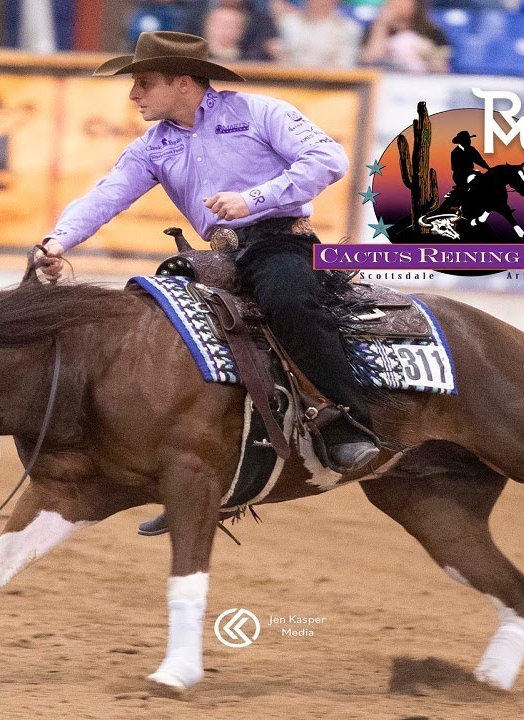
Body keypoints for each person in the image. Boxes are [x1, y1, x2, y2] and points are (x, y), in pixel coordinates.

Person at [29, 31, 379, 535]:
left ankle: (350, 421)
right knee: (173, 343)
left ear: (185, 82)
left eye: (144, 82)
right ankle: (197, 474)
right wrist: (58, 241)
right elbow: (107, 195)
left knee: (289, 301)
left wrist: (254, 199)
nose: (134, 94)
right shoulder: (154, 145)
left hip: (280, 241)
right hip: (218, 257)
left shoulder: (262, 114)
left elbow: (329, 160)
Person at [358, 0, 450, 74]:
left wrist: (425, 54)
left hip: (420, 88)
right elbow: (368, 62)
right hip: (384, 85)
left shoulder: (433, 33)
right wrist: (381, 26)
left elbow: (442, 71)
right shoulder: (375, 30)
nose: (398, 5)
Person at [270, 0, 364, 68]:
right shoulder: (288, 24)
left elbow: (345, 68)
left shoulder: (349, 29)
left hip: (332, 89)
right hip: (289, 86)